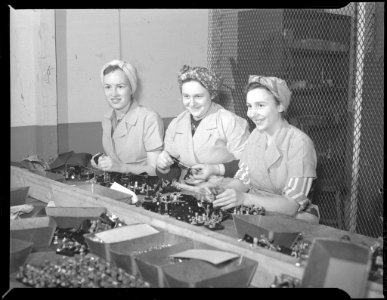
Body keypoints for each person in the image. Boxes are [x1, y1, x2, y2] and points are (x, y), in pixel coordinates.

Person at [213, 75, 320, 223]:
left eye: (260, 105)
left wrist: (244, 198)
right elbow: (243, 181)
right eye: (249, 106)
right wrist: (222, 193)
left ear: (280, 106)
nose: (252, 113)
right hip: (257, 211)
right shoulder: (256, 135)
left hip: (293, 219)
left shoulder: (299, 143)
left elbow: (291, 205)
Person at [156, 65, 250, 186]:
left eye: (198, 96)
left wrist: (216, 168)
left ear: (211, 94)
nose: (192, 103)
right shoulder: (176, 124)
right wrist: (163, 167)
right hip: (187, 191)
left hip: (223, 190)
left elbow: (248, 165)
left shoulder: (230, 121)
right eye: (186, 96)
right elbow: (174, 173)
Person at [91, 59, 164, 176]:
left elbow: (156, 170)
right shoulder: (107, 119)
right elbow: (116, 158)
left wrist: (121, 168)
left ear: (131, 88)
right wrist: (102, 162)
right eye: (108, 87)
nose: (113, 94)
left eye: (120, 86)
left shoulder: (149, 119)